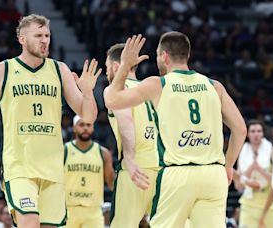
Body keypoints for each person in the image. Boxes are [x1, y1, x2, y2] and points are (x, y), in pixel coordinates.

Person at [0, 14, 101, 227]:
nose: (44, 40)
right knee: (29, 223)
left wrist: (88, 92)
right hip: (20, 168)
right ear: (22, 39)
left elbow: (88, 116)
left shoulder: (60, 70)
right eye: (38, 35)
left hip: (53, 169)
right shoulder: (2, 70)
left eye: (47, 35)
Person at [104, 32, 247, 228]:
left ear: (164, 56)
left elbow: (112, 99)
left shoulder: (158, 84)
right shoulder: (214, 86)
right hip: (214, 174)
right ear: (186, 55)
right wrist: (229, 165)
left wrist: (124, 67)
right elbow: (240, 129)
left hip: (179, 173)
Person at [104, 43, 160, 227]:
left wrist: (129, 156)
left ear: (114, 66)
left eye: (106, 67)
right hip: (161, 168)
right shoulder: (152, 89)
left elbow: (126, 120)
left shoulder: (116, 90)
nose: (106, 72)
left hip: (135, 169)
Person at [64, 115, 114, 228]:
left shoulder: (103, 153)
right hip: (69, 209)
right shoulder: (64, 151)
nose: (85, 128)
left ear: (93, 128)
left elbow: (111, 184)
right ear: (74, 128)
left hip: (94, 210)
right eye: (81, 125)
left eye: (88, 125)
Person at [233, 120, 273, 227]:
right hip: (249, 203)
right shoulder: (242, 152)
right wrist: (252, 167)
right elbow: (238, 185)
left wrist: (260, 169)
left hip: (269, 204)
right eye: (252, 131)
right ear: (247, 134)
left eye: (259, 131)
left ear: (263, 133)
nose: (256, 134)